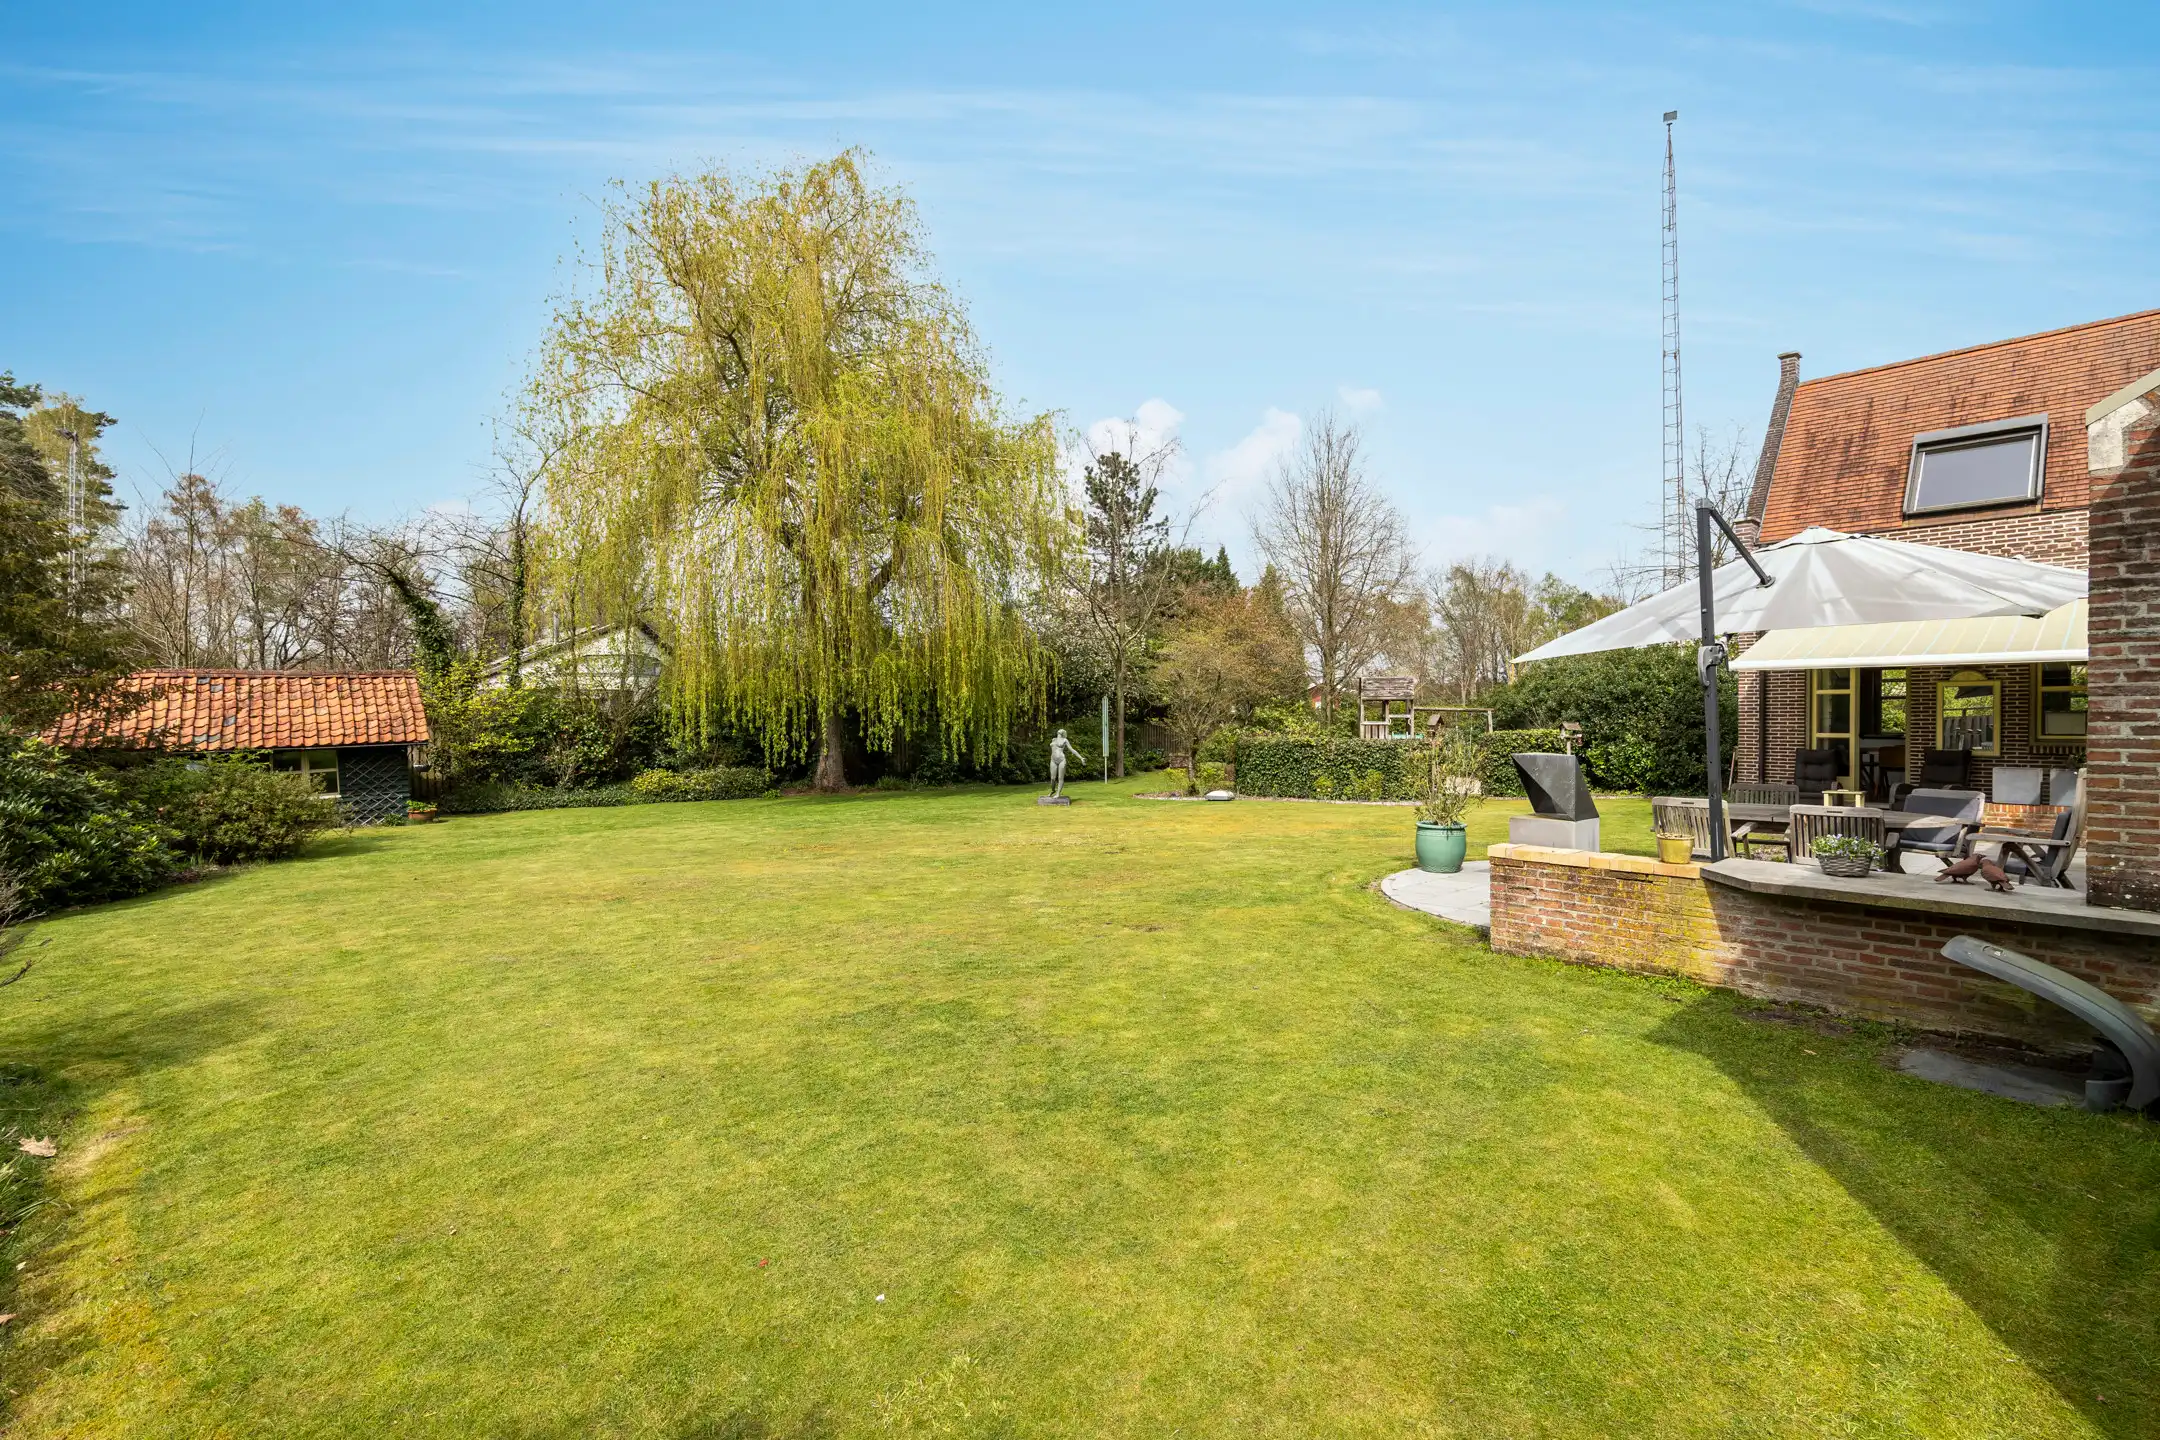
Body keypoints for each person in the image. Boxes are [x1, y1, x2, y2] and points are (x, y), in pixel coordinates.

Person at [1049, 729, 1088, 798]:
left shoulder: (1065, 740)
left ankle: (1058, 793)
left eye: (1062, 731)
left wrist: (1081, 758)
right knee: (1052, 778)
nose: (1060, 731)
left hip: (1061, 760)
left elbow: (1072, 749)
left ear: (1063, 733)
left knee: (1060, 778)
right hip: (1053, 760)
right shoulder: (1053, 740)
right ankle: (1053, 790)